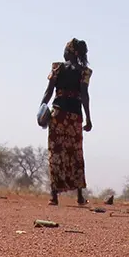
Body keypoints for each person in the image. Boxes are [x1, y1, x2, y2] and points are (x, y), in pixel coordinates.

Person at [41, 39, 92, 206]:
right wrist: (89, 118)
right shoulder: (84, 72)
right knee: (75, 154)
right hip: (75, 117)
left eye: (66, 49)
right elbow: (84, 96)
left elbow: (49, 91)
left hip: (58, 115)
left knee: (56, 154)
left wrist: (41, 107)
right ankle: (79, 196)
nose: (63, 52)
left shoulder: (58, 68)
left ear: (71, 52)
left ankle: (54, 196)